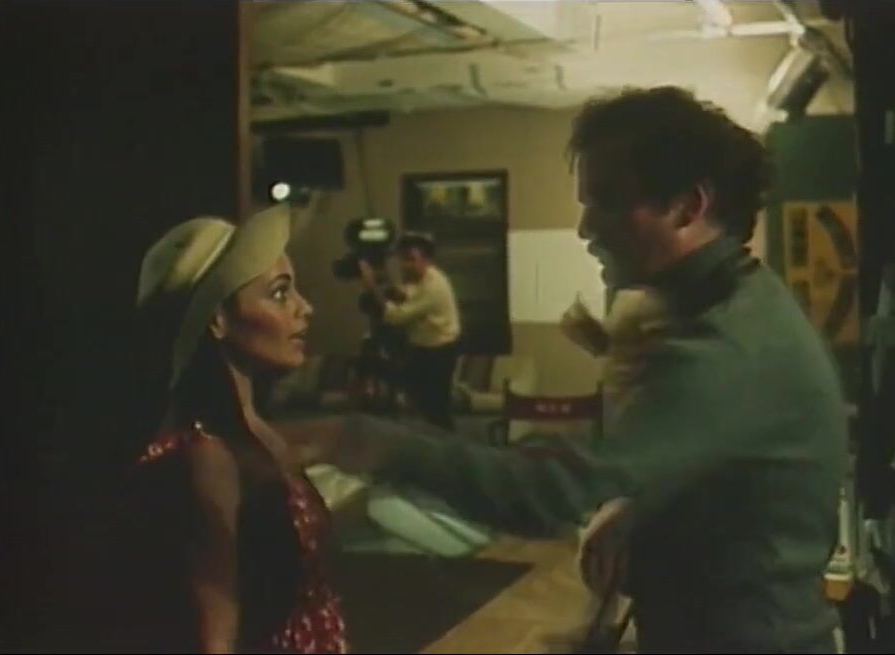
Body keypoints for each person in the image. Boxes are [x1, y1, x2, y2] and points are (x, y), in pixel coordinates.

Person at [282, 87, 847, 653]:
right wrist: (638, 511)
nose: (585, 228)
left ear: (686, 207)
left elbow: (555, 491)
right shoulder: (740, 305)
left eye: (607, 200)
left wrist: (363, 441)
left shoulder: (725, 346)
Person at [122, 205, 348, 654]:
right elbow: (214, 634)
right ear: (218, 320)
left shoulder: (260, 434)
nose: (305, 308)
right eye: (279, 294)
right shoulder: (207, 456)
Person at [358, 232, 461, 429]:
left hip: (438, 352)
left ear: (427, 261)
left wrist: (372, 287)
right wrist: (384, 281)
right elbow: (408, 296)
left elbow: (396, 316)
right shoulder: (423, 278)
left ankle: (448, 443)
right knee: (422, 402)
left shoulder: (433, 286)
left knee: (436, 409)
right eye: (403, 259)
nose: (405, 265)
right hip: (424, 349)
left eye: (412, 260)